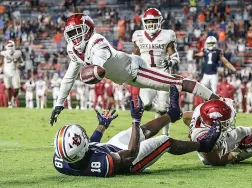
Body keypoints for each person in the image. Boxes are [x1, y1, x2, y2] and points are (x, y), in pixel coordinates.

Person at [49, 13, 219, 126]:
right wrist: (58, 103)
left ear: (88, 29)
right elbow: (69, 77)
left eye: (78, 31)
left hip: (135, 70)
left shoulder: (97, 41)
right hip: (125, 78)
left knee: (175, 83)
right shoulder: (73, 48)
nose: (75, 37)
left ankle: (217, 100)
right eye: (71, 34)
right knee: (146, 104)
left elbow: (98, 66)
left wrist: (91, 71)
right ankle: (167, 110)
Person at [53, 85, 222, 177]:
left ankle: (172, 114)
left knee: (141, 131)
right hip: (130, 162)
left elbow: (88, 146)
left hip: (108, 148)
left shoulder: (62, 159)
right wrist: (135, 118)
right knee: (164, 141)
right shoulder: (101, 164)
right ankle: (204, 145)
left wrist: (101, 126)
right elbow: (131, 153)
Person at [132, 8, 181, 136]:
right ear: (144, 22)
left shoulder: (167, 34)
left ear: (160, 21)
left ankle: (165, 135)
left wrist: (171, 61)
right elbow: (135, 56)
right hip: (147, 74)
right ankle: (158, 109)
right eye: (148, 21)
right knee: (146, 104)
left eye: (154, 21)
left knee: (164, 108)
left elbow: (174, 55)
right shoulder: (138, 35)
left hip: (163, 74)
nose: (151, 24)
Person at [183, 98, 252, 166]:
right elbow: (217, 162)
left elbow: (185, 116)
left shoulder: (201, 111)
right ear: (215, 122)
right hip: (213, 156)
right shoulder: (209, 141)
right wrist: (239, 149)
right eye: (226, 120)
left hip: (215, 134)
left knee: (251, 131)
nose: (230, 120)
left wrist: (191, 130)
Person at [0, 40, 24, 108]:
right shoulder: (3, 53)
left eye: (11, 45)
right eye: (9, 46)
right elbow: (1, 62)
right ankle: (9, 102)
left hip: (14, 71)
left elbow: (22, 62)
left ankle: (13, 98)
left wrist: (19, 64)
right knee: (8, 88)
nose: (10, 47)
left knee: (17, 88)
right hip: (6, 72)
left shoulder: (18, 53)